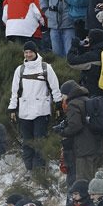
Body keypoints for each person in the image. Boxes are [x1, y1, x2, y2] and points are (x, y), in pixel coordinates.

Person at [8, 41, 62, 172]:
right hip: (24, 111)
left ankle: (39, 170)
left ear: (35, 52)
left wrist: (58, 104)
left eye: (30, 52)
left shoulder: (46, 68)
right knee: (27, 142)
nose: (28, 54)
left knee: (39, 141)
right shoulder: (20, 70)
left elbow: (55, 87)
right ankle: (29, 169)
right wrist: (12, 108)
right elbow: (14, 91)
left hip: (41, 111)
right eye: (26, 52)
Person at [59, 81, 103, 183]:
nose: (62, 98)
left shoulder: (73, 104)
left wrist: (63, 131)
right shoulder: (87, 100)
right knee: (93, 181)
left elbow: (75, 126)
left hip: (84, 149)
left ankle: (87, 199)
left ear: (67, 94)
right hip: (98, 146)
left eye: (62, 95)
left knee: (83, 183)